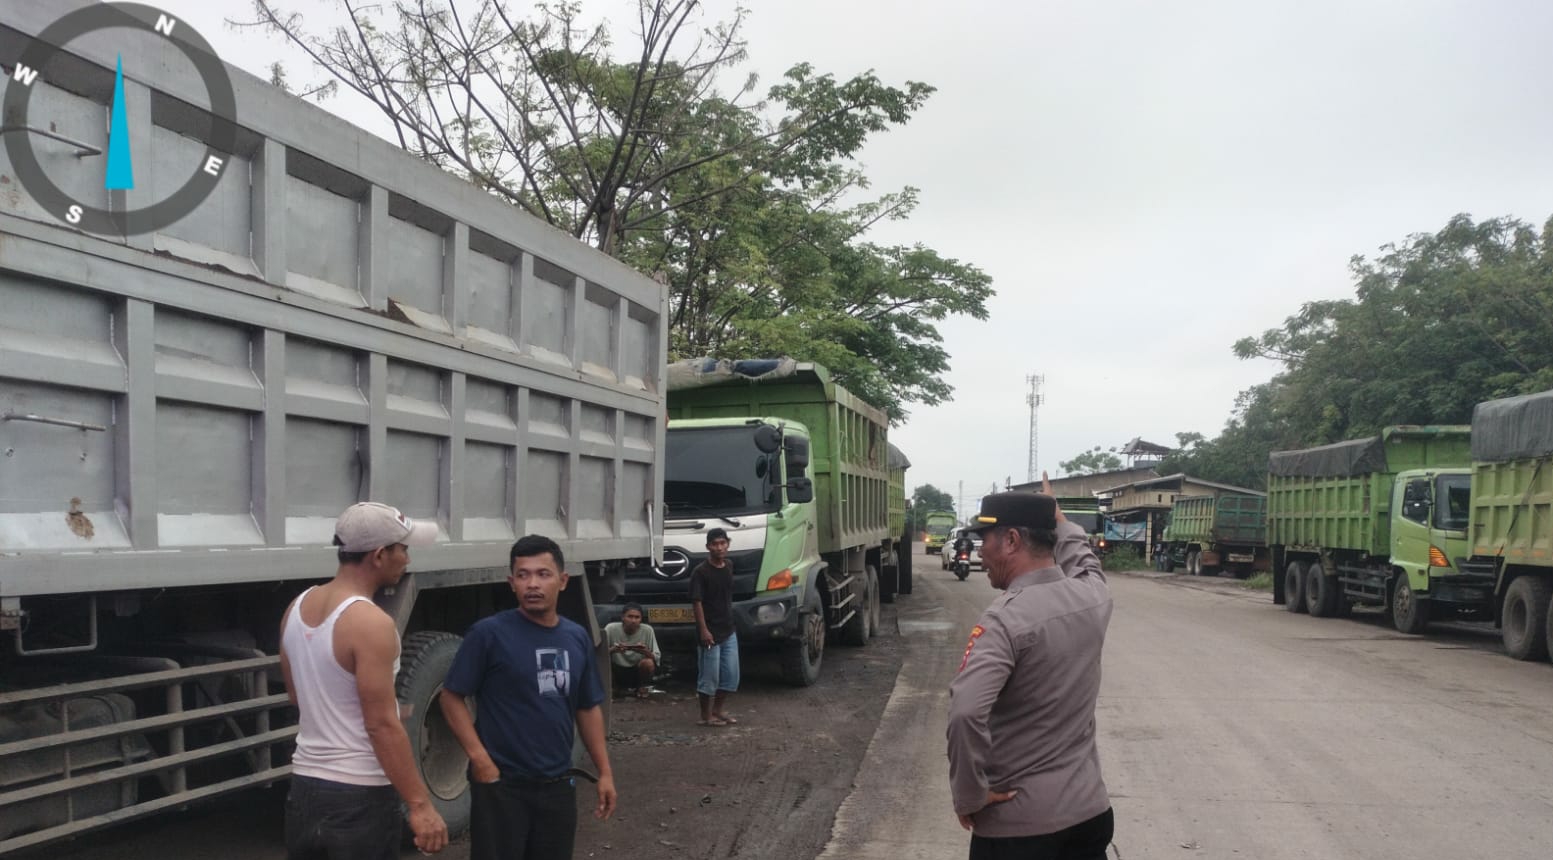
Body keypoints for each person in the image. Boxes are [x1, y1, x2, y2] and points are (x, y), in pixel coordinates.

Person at [946, 483, 1115, 860]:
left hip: (1019, 831)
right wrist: (1059, 517)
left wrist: (970, 795)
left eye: (985, 539)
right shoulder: (1093, 597)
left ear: (1011, 540)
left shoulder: (1004, 620)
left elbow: (966, 712)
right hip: (1089, 816)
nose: (980, 551)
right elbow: (1085, 562)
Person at [279, 502, 449, 859]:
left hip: (304, 791)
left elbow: (299, 696)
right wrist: (420, 805)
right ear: (379, 555)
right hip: (359, 797)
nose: (407, 559)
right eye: (403, 549)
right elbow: (380, 725)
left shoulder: (296, 608)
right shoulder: (371, 623)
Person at [438, 535, 616, 860]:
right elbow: (451, 698)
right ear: (512, 583)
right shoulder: (489, 634)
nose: (532, 584)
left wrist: (604, 772)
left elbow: (587, 706)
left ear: (563, 581)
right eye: (523, 575)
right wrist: (480, 760)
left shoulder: (575, 637)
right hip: (502, 786)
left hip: (558, 785)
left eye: (543, 574)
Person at [689, 527, 739, 727]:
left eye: (722, 543)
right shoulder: (700, 572)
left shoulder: (729, 566)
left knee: (731, 674)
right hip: (709, 632)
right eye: (715, 544)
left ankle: (718, 709)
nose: (719, 548)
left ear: (728, 544)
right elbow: (697, 602)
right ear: (708, 547)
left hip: (728, 629)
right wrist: (703, 630)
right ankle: (705, 715)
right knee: (709, 675)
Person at [605, 603, 661, 698]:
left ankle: (641, 687)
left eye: (637, 617)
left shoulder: (647, 630)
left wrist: (644, 651)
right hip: (616, 669)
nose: (633, 621)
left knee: (648, 663)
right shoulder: (611, 628)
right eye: (630, 617)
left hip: (636, 670)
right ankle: (612, 687)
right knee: (603, 661)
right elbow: (599, 654)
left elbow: (656, 658)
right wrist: (614, 649)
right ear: (623, 617)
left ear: (641, 619)